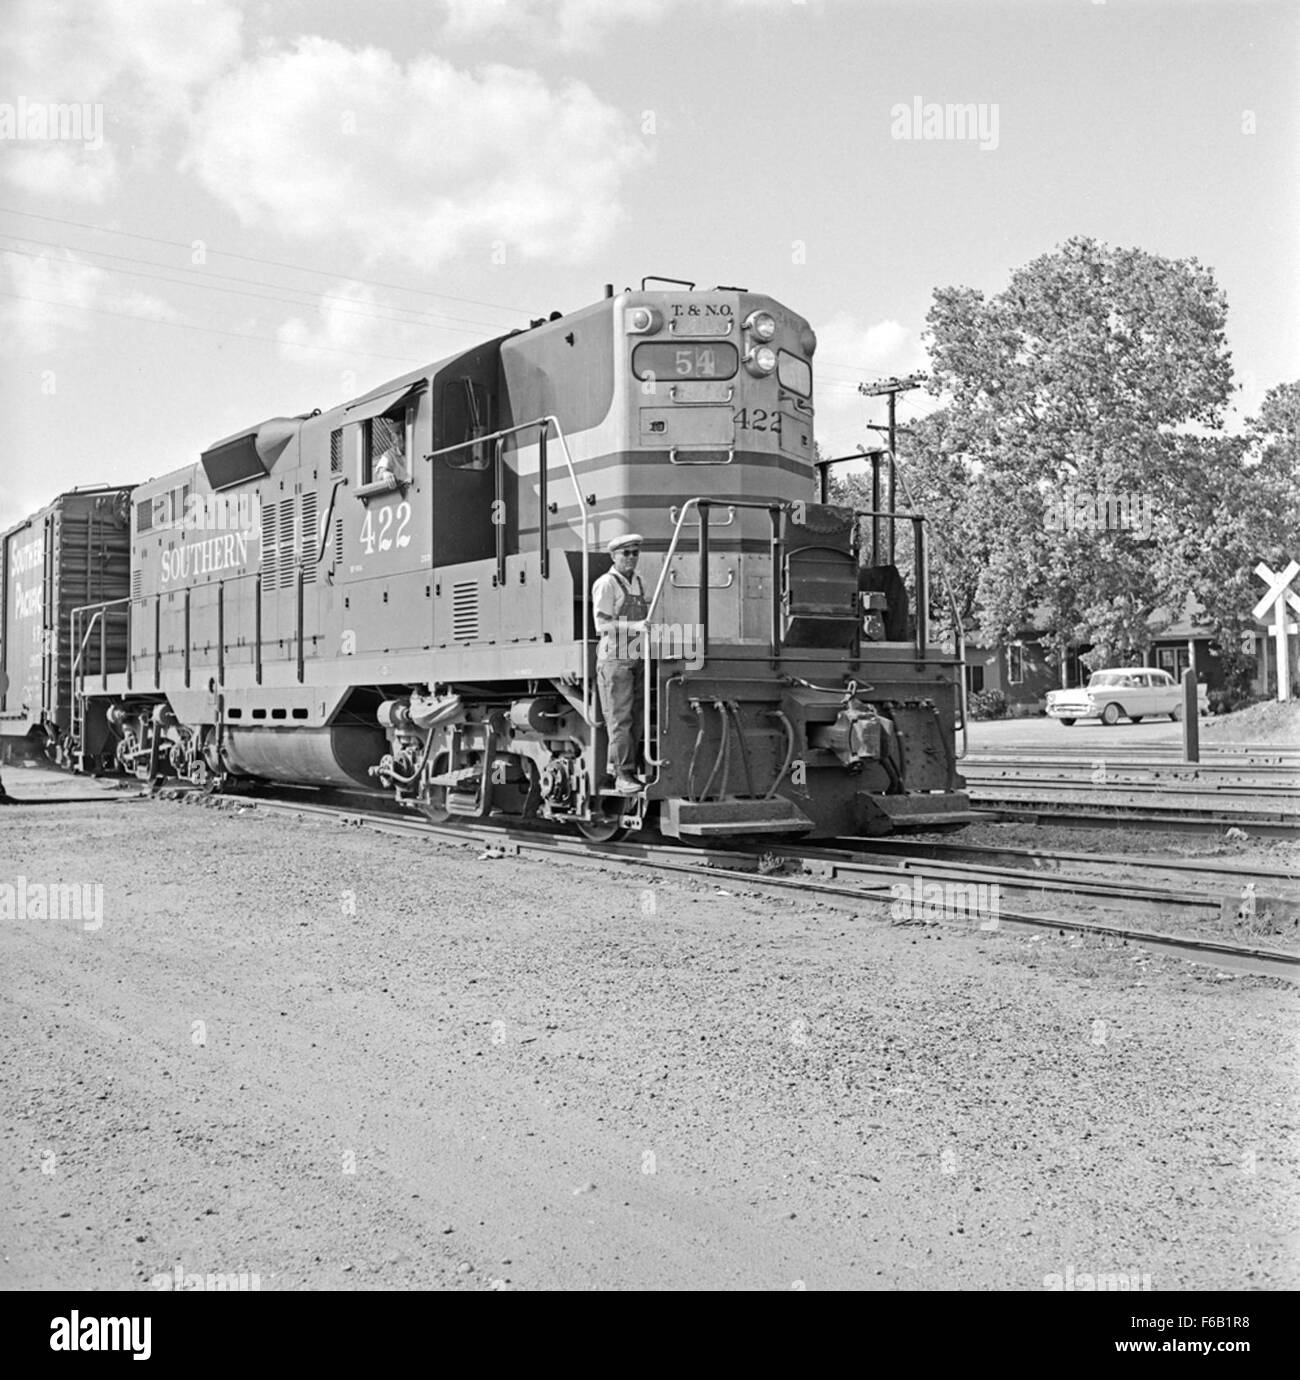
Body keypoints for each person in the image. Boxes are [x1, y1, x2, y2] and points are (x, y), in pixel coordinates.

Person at [593, 533, 649, 795]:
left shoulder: (640, 582)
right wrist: (635, 626)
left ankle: (634, 769)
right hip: (615, 659)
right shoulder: (606, 584)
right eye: (625, 553)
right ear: (613, 556)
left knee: (637, 717)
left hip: (637, 657)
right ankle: (621, 774)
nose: (631, 558)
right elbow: (601, 624)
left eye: (635, 553)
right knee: (620, 718)